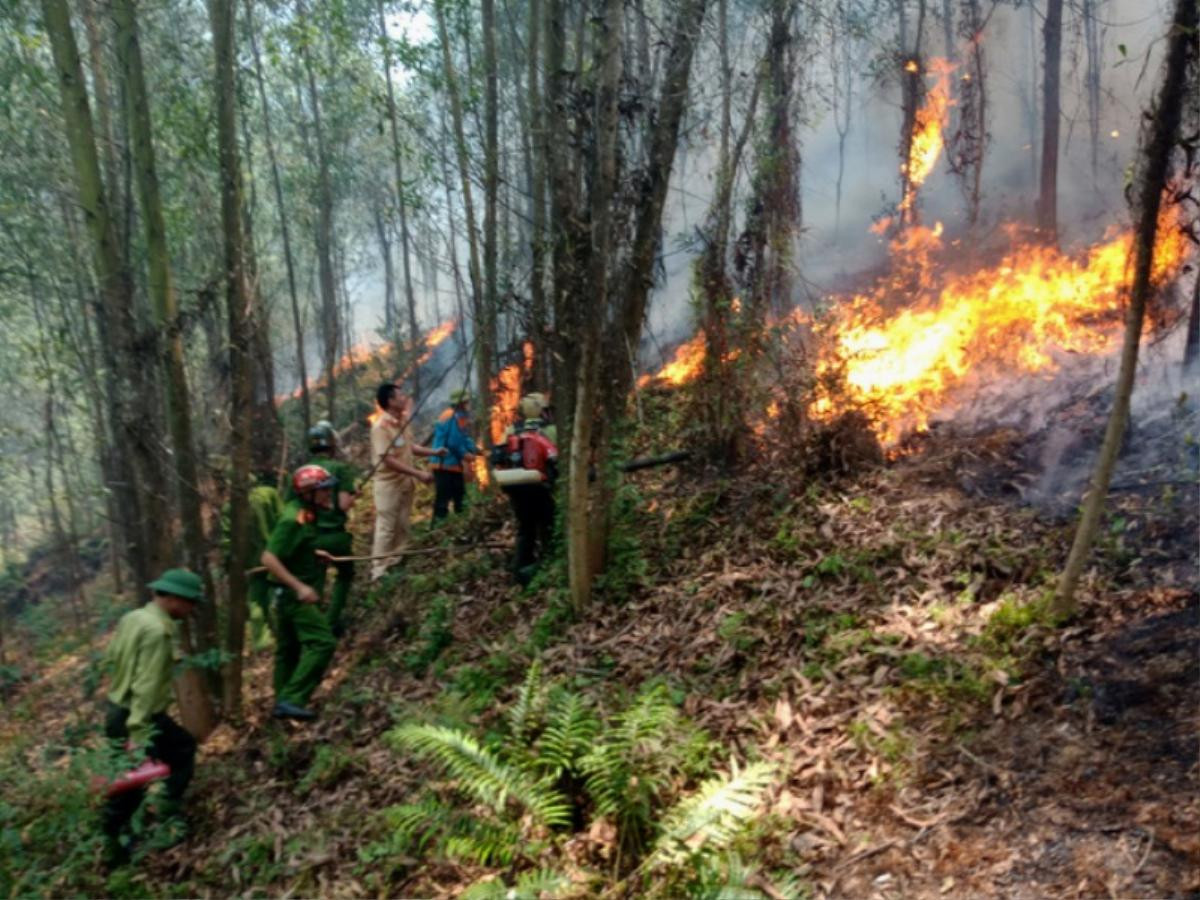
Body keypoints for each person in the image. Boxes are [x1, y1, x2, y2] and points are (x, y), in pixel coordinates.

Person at [101, 568, 204, 865]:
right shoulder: (158, 632)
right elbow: (145, 687)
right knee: (132, 782)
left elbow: (114, 657)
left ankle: (122, 837)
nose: (191, 609)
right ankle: (127, 840)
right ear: (173, 598)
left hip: (116, 708)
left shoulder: (133, 618)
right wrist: (138, 732)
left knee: (131, 778)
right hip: (139, 715)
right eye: (190, 602)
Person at [261, 464, 339, 721]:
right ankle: (292, 698)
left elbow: (293, 548)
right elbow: (269, 558)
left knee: (288, 649)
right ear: (308, 493)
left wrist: (315, 554)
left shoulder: (307, 513)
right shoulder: (291, 518)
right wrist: (300, 587)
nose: (329, 494)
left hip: (285, 595)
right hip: (292, 596)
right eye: (324, 490)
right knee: (322, 642)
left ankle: (282, 703)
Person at [370, 383, 443, 581]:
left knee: (403, 523)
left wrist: (433, 452)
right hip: (388, 485)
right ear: (390, 401)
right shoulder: (380, 427)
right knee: (386, 526)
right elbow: (388, 459)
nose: (404, 398)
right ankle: (378, 570)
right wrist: (418, 473)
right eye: (400, 396)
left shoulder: (402, 421)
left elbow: (410, 447)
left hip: (405, 482)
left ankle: (397, 561)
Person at [291, 421, 358, 637]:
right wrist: (353, 496)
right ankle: (330, 622)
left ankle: (312, 629)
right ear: (331, 445)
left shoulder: (301, 473)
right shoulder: (340, 469)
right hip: (336, 537)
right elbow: (344, 504)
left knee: (315, 584)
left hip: (311, 539)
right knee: (346, 574)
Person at [498, 394, 559, 585]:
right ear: (540, 410)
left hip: (514, 486)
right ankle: (549, 569)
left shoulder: (510, 430)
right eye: (545, 409)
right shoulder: (549, 430)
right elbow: (556, 457)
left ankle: (520, 573)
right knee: (548, 524)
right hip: (538, 485)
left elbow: (498, 456)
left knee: (525, 529)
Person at [430, 389, 480, 520]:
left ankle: (460, 522)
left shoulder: (460, 416)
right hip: (443, 464)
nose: (468, 404)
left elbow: (463, 437)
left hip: (453, 465)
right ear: (459, 403)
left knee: (460, 495)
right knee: (443, 499)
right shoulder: (450, 416)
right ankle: (438, 528)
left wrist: (475, 450)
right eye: (465, 402)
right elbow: (453, 442)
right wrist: (466, 455)